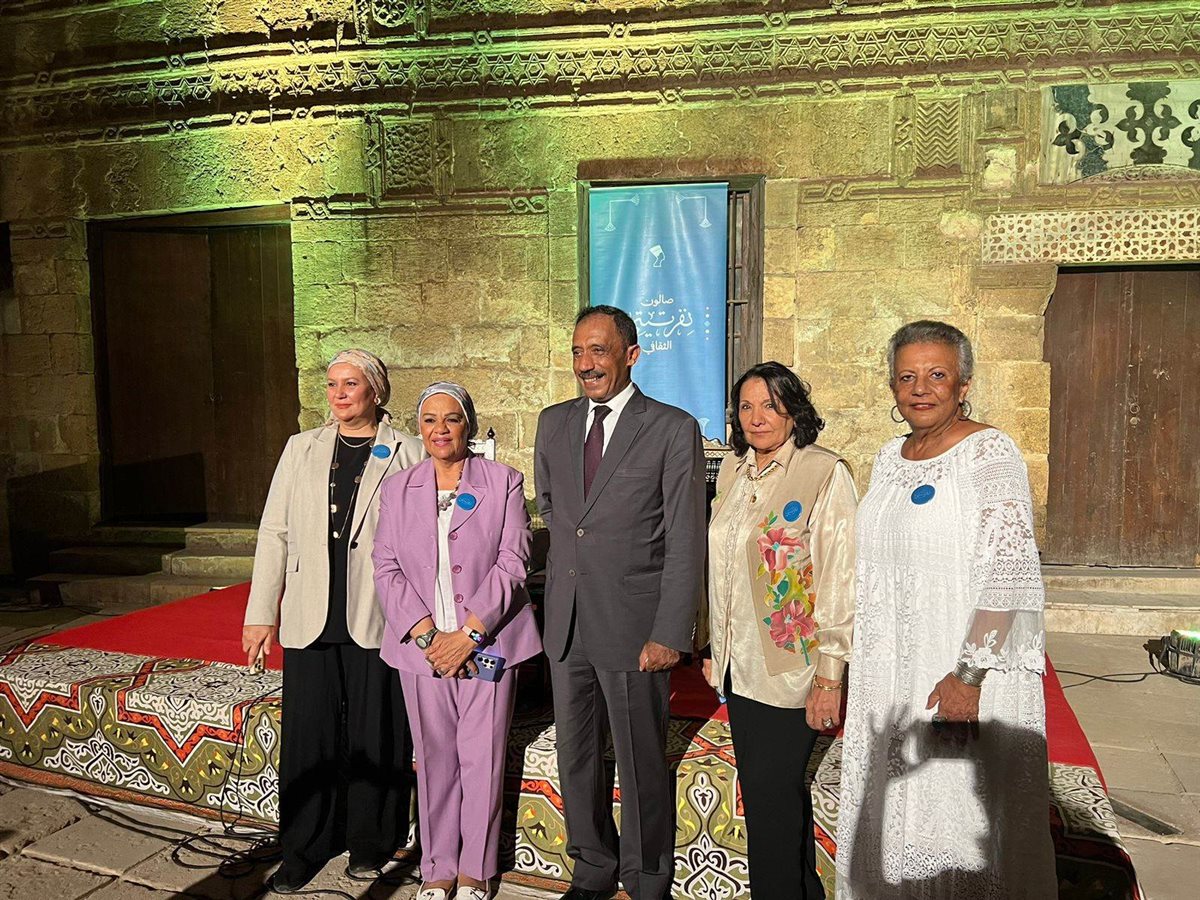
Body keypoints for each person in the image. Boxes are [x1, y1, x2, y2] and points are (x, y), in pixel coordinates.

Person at [835, 321, 1056, 898]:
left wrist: (968, 677)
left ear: (964, 384)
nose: (920, 388)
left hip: (959, 673)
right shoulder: (889, 457)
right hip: (891, 671)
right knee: (895, 812)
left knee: (955, 821)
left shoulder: (990, 451)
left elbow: (1010, 573)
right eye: (906, 376)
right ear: (891, 386)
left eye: (937, 375)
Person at [534, 305, 707, 900]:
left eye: (599, 351)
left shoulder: (671, 427)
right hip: (568, 623)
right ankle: (591, 866)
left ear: (631, 355)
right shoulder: (553, 422)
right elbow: (555, 510)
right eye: (578, 352)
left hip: (636, 628)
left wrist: (670, 632)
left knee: (639, 760)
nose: (586, 364)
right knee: (576, 755)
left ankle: (647, 874)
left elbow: (685, 537)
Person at [242, 349, 425, 893]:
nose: (339, 394)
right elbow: (274, 531)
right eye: (331, 384)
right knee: (310, 735)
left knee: (377, 732)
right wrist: (260, 614)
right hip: (310, 611)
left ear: (376, 390)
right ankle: (304, 846)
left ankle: (371, 843)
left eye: (350, 384)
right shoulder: (301, 448)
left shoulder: (408, 451)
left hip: (378, 611)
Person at [373, 382, 542, 900]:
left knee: (481, 759)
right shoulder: (398, 489)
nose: (440, 429)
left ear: (468, 424)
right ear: (419, 428)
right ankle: (438, 867)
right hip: (422, 650)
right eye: (430, 420)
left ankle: (476, 870)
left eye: (451, 419)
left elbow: (514, 562)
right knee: (434, 760)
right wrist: (428, 635)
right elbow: (386, 566)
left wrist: (468, 635)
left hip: (487, 646)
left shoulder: (504, 481)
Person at [702, 362, 856, 900]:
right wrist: (712, 646)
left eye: (770, 405)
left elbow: (840, 579)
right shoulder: (732, 470)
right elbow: (722, 566)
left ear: (793, 410)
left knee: (771, 798)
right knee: (773, 798)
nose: (757, 417)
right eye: (746, 407)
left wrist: (830, 676)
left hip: (791, 670)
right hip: (738, 667)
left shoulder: (823, 472)